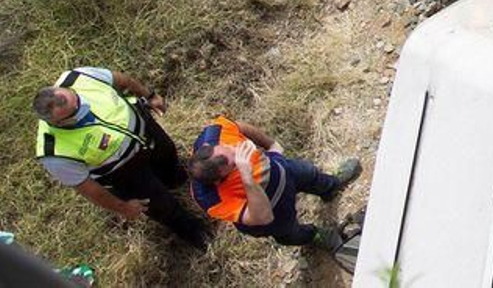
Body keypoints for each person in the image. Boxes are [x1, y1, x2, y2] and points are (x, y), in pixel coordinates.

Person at [33, 67, 210, 249]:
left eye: (76, 99)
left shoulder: (78, 78)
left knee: (170, 160)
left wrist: (150, 96)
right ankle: (201, 236)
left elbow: (121, 79)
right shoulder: (54, 152)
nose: (82, 107)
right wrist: (123, 207)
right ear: (58, 123)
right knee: (163, 207)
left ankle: (179, 183)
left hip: (147, 133)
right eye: (74, 112)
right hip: (126, 174)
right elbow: (89, 189)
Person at [188, 114, 360, 251]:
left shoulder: (215, 133)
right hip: (269, 207)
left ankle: (331, 186)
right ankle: (316, 236)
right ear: (219, 180)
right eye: (234, 162)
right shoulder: (210, 198)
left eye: (230, 147)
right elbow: (263, 217)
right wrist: (247, 177)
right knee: (288, 232)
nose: (238, 150)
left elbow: (239, 126)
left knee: (309, 174)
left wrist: (271, 145)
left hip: (280, 169)